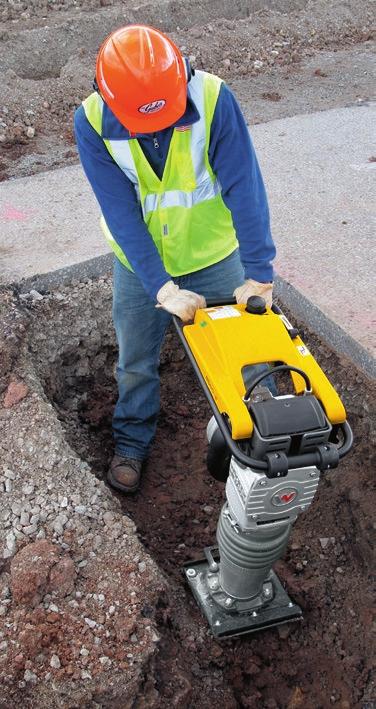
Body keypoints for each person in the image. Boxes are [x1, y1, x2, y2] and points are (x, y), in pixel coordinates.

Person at [74, 24, 276, 493]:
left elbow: (244, 185)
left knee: (242, 354)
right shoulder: (92, 122)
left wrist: (260, 272)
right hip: (140, 265)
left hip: (212, 254)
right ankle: (131, 442)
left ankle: (256, 442)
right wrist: (160, 286)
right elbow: (121, 213)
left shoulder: (212, 100)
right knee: (136, 361)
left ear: (181, 79)